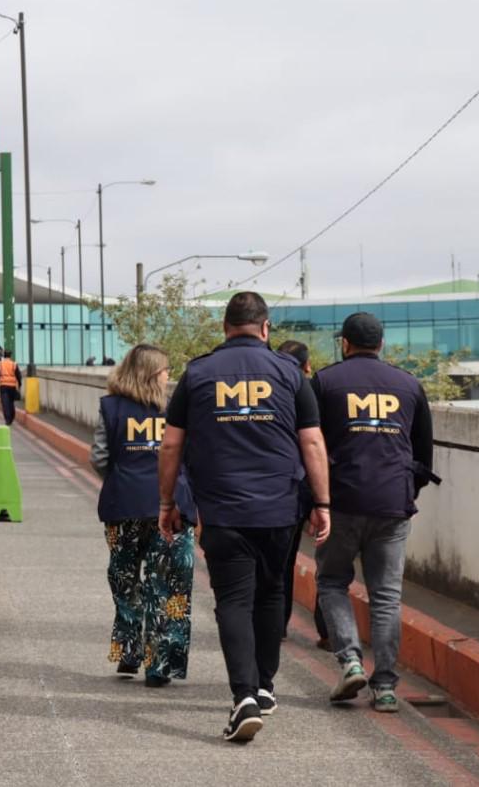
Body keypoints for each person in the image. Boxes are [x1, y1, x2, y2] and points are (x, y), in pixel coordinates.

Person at [159, 292, 331, 743]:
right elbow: (312, 443)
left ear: (224, 327)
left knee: (233, 599)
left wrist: (166, 503)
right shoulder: (290, 373)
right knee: (274, 592)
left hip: (223, 508)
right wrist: (323, 502)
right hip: (280, 508)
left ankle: (244, 698)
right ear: (266, 327)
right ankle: (265, 686)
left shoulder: (197, 373)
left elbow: (171, 445)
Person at [312, 312, 437, 714]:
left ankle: (349, 660)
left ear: (345, 343)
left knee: (332, 582)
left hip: (341, 501)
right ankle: (384, 687)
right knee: (386, 596)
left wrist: (315, 500)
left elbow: (310, 443)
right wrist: (405, 495)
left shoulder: (326, 382)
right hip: (392, 504)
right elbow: (423, 452)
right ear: (381, 344)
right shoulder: (408, 384)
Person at [90, 345, 197, 688]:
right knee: (169, 585)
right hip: (172, 506)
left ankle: (130, 651)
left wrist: (122, 478)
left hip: (123, 507)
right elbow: (193, 458)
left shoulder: (110, 407)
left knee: (125, 580)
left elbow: (99, 457)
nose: (169, 375)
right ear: (153, 373)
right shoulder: (177, 410)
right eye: (166, 370)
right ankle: (160, 664)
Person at [275, 340, 331, 650]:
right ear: (306, 365)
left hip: (276, 486)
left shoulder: (271, 387)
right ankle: (326, 630)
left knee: (277, 560)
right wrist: (319, 500)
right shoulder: (307, 389)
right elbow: (314, 445)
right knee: (325, 562)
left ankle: (276, 623)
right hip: (303, 488)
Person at [0, 351, 22, 425]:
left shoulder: (0, 364)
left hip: (3, 385)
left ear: (4, 356)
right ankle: (12, 416)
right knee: (11, 402)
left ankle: (7, 419)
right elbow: (18, 375)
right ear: (10, 356)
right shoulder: (14, 364)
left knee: (5, 403)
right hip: (12, 386)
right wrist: (19, 385)